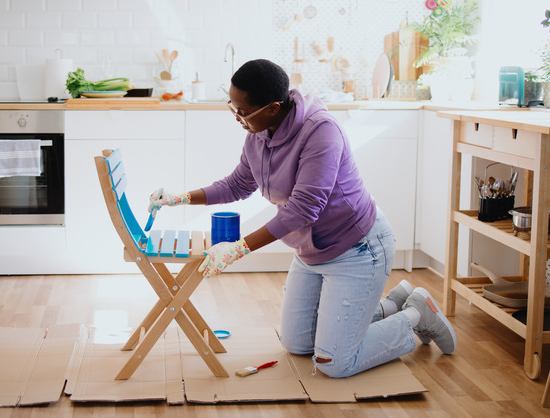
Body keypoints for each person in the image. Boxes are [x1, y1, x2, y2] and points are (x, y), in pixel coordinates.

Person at [148, 59, 456, 378]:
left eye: (242, 111)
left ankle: (417, 314)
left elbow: (303, 209)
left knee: (333, 363)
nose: (237, 117)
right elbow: (238, 184)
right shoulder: (259, 131)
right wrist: (180, 198)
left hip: (357, 249)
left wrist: (238, 248)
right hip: (310, 250)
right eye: (233, 107)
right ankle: (392, 304)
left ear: (272, 107)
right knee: (297, 344)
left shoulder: (321, 132)